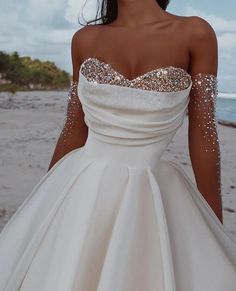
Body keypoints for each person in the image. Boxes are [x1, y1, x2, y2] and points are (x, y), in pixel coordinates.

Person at [0, 0, 236, 290]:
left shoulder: (196, 33)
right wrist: (42, 208)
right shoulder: (84, 40)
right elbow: (74, 130)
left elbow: (203, 135)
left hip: (149, 190)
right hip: (78, 187)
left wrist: (212, 226)